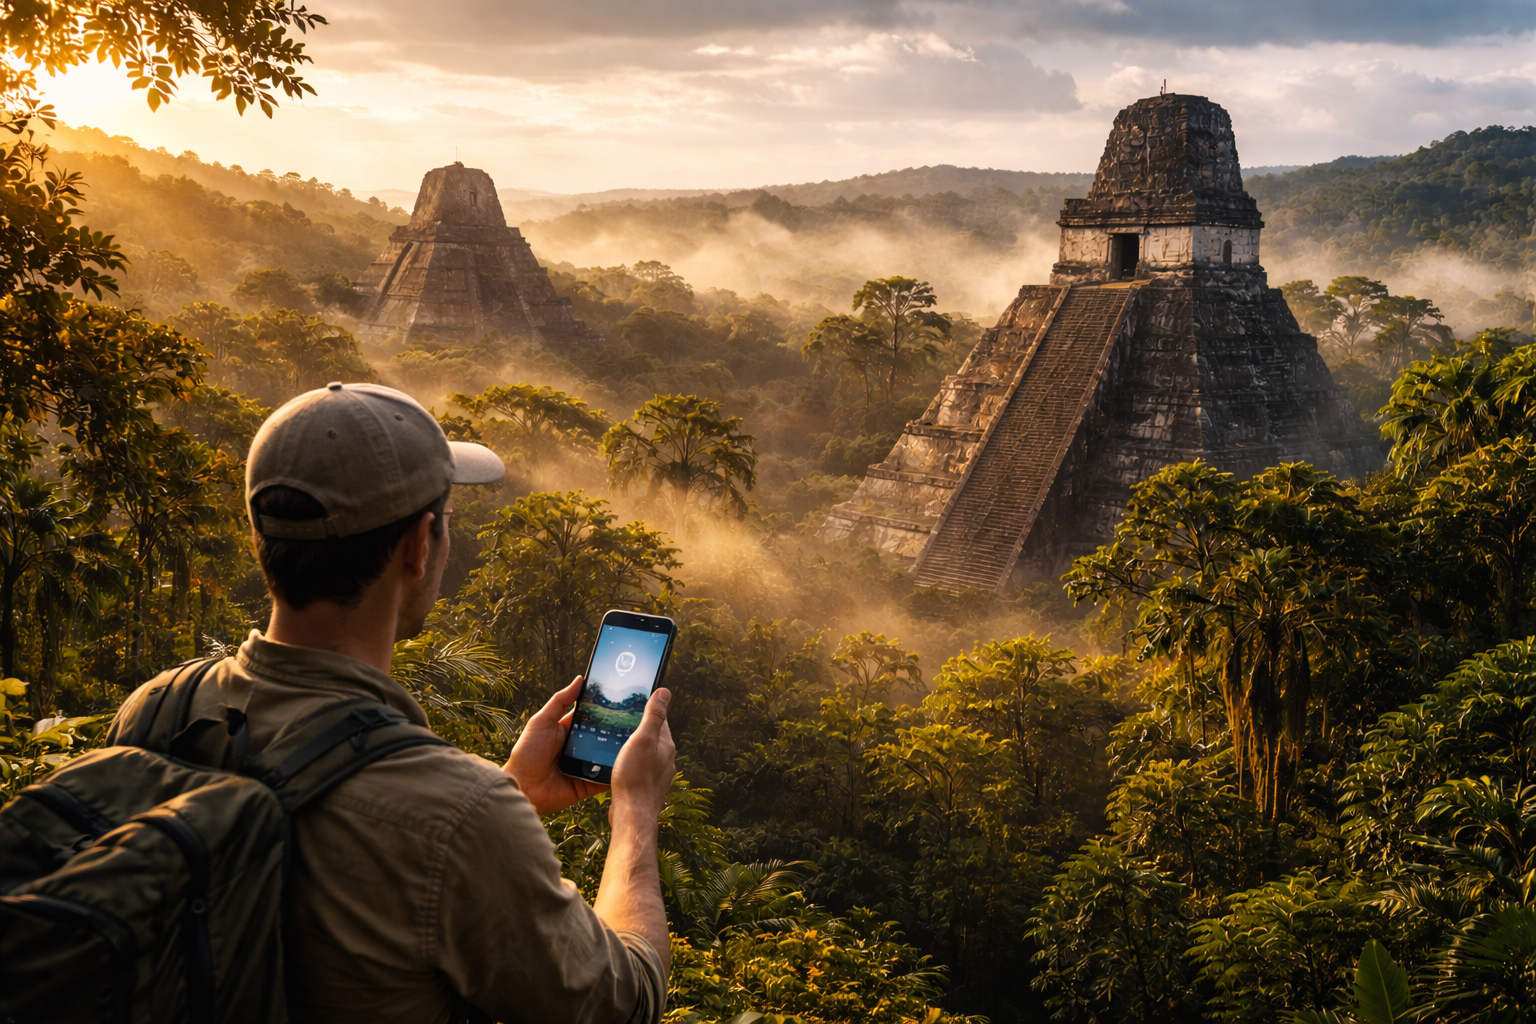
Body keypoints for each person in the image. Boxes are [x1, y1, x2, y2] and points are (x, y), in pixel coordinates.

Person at [106, 382, 674, 1024]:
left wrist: (512, 790)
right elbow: (623, 1003)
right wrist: (635, 808)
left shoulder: (158, 707)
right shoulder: (452, 816)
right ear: (420, 544)